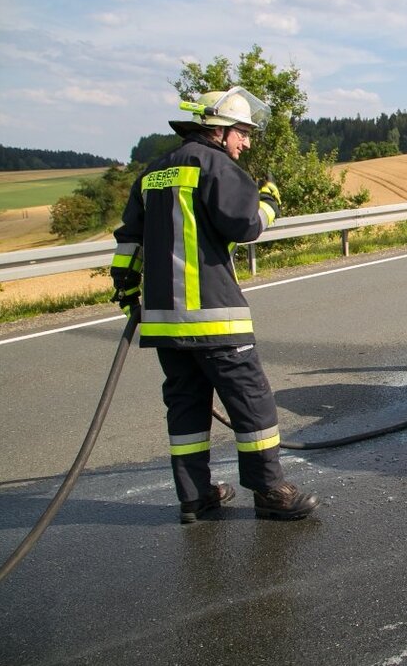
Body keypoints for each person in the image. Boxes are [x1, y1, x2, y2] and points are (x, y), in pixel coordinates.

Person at [110, 87, 319, 524]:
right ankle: (270, 492)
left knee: (186, 406)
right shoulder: (216, 166)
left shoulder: (153, 173)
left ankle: (195, 497)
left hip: (166, 322)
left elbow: (128, 238)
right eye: (242, 132)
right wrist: (270, 204)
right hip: (215, 318)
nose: (246, 142)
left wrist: (127, 288)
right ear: (219, 131)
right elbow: (244, 226)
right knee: (253, 403)